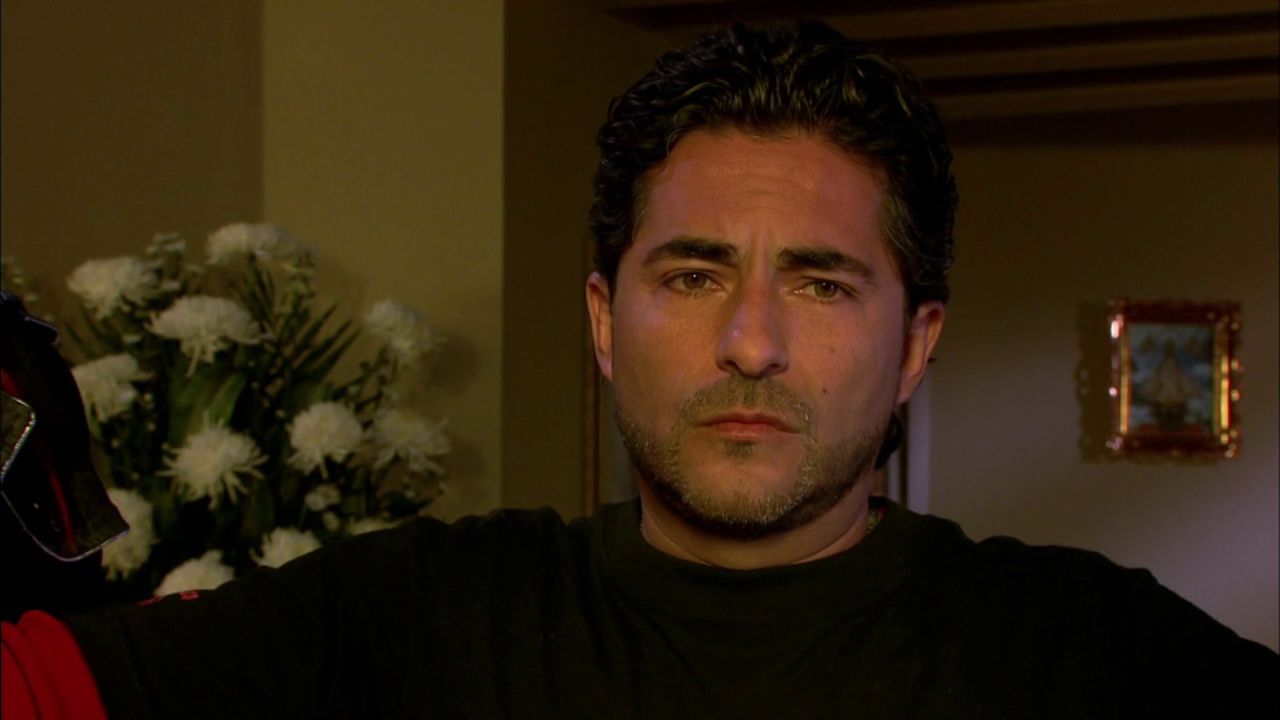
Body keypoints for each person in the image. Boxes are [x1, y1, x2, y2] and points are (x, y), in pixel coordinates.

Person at [3, 20, 1276, 719]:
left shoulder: (1092, 656)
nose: (750, 342)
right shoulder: (407, 620)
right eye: (692, 275)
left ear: (914, 346)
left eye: (820, 284)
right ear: (605, 321)